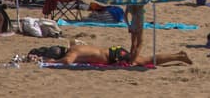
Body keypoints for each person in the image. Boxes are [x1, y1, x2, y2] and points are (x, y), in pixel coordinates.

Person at [57, 38, 193, 66]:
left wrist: (53, 62)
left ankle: (179, 56)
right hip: (113, 52)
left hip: (114, 55)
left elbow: (67, 61)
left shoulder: (72, 53)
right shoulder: (74, 47)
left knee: (146, 61)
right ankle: (178, 56)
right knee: (145, 59)